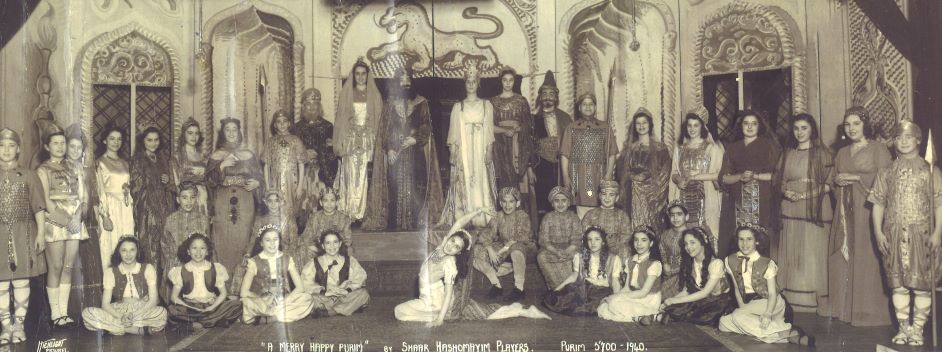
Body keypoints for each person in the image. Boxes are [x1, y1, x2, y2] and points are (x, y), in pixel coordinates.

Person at [395, 209, 549, 326]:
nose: (451, 246)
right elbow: (459, 224)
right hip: (426, 299)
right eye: (452, 241)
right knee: (400, 312)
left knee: (399, 312)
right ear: (448, 238)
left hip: (435, 302)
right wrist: (478, 211)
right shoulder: (442, 247)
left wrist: (440, 320)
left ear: (459, 252)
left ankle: (440, 315)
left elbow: (448, 292)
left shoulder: (449, 263)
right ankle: (436, 314)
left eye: (456, 247)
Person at [869, 119, 942, 346]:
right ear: (893, 142)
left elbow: (939, 204)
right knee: (898, 284)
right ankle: (903, 328)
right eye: (899, 137)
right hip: (893, 235)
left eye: (908, 137)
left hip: (922, 235)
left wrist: (938, 232)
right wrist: (879, 232)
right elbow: (878, 205)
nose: (903, 141)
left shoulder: (930, 170)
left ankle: (918, 329)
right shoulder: (886, 171)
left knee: (921, 285)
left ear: (918, 141)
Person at [824, 106, 892, 326]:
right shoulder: (842, 152)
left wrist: (855, 178)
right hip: (844, 210)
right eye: (848, 124)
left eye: (856, 123)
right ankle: (845, 310)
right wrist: (838, 182)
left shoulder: (878, 149)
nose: (851, 128)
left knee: (866, 257)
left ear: (865, 125)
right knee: (844, 254)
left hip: (868, 210)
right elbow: (834, 178)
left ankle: (867, 312)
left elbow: (887, 180)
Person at [367, 67, 443, 230]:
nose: (405, 82)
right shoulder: (389, 104)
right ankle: (394, 225)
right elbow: (384, 131)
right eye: (402, 79)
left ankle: (413, 224)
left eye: (408, 79)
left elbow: (426, 126)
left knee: (416, 188)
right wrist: (389, 149)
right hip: (396, 156)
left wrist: (415, 139)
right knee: (394, 188)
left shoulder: (422, 102)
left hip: (416, 154)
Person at [775, 113, 832, 313]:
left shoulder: (822, 153)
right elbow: (779, 180)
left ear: (812, 130)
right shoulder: (788, 153)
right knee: (793, 252)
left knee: (812, 252)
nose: (800, 132)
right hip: (790, 207)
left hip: (814, 207)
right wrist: (786, 191)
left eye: (804, 128)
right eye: (796, 128)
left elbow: (828, 184)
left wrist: (806, 196)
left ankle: (812, 301)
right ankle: (791, 298)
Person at [720, 225, 813, 346]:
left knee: (737, 316)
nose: (744, 243)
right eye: (741, 239)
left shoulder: (767, 263)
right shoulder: (729, 260)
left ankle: (779, 327)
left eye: (749, 239)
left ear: (757, 241)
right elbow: (737, 289)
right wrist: (743, 309)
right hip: (751, 305)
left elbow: (773, 293)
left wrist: (768, 314)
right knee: (723, 323)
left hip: (771, 303)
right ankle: (786, 335)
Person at [37, 122, 88, 328]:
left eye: (62, 143)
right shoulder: (43, 169)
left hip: (75, 222)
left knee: (68, 267)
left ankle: (64, 313)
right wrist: (66, 221)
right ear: (47, 147)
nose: (60, 147)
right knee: (56, 266)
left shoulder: (75, 167)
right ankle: (55, 313)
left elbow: (82, 198)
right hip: (55, 222)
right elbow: (45, 201)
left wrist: (77, 218)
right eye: (55, 143)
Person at [0, 128, 46, 344]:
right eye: (2, 145)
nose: (6, 150)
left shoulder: (29, 175)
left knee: (20, 280)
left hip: (24, 232)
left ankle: (19, 325)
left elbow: (38, 207)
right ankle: (5, 327)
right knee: (1, 283)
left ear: (18, 149)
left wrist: (41, 234)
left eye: (10, 145)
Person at [439, 66, 497, 228]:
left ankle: (482, 216)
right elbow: (454, 133)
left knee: (480, 178)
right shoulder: (459, 107)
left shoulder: (486, 105)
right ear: (465, 84)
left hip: (480, 147)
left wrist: (489, 150)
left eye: (474, 82)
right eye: (468, 82)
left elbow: (489, 130)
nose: (471, 85)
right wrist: (453, 152)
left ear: (478, 83)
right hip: (464, 148)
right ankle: (464, 215)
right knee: (465, 179)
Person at [719, 110, 780, 257]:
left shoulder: (769, 146)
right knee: (738, 237)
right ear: (741, 126)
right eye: (746, 123)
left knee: (761, 236)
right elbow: (723, 178)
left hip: (763, 198)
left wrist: (756, 176)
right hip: (737, 199)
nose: (750, 127)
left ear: (760, 126)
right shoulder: (732, 148)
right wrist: (739, 177)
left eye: (754, 124)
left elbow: (778, 176)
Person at [208, 118, 262, 277]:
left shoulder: (248, 155)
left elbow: (260, 176)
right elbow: (208, 181)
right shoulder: (217, 155)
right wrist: (221, 166)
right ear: (223, 133)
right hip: (222, 201)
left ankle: (242, 282)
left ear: (239, 132)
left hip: (245, 200)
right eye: (227, 130)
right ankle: (224, 281)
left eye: (234, 129)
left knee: (244, 236)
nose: (231, 133)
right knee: (223, 238)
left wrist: (257, 183)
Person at [82, 237, 167, 336]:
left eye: (132, 250)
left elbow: (153, 300)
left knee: (162, 313)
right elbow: (105, 304)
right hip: (118, 311)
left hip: (142, 309)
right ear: (119, 253)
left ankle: (113, 328)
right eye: (124, 250)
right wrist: (121, 316)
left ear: (137, 251)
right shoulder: (110, 272)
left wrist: (133, 315)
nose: (128, 254)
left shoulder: (148, 268)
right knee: (87, 313)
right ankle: (136, 330)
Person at [333, 58, 383, 220]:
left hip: (368, 139)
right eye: (357, 74)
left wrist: (376, 142)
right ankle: (348, 211)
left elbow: (379, 120)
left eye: (363, 74)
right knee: (349, 173)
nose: (360, 77)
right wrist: (341, 141)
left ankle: (363, 212)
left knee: (364, 175)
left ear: (368, 75)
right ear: (353, 76)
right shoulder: (347, 93)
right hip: (351, 139)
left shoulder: (374, 95)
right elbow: (340, 120)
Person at [130, 126, 177, 300]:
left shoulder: (164, 158)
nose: (153, 143)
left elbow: (172, 185)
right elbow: (136, 186)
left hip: (164, 209)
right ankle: (150, 295)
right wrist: (152, 180)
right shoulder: (138, 159)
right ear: (143, 141)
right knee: (150, 250)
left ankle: (164, 295)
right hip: (148, 211)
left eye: (156, 140)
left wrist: (167, 181)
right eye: (149, 140)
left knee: (165, 250)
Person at [669, 111, 724, 245]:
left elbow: (718, 174)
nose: (692, 129)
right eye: (689, 125)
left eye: (696, 125)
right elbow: (674, 172)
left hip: (704, 195)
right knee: (684, 230)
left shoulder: (711, 148)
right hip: (683, 194)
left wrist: (694, 177)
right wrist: (678, 180)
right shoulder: (679, 148)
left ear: (702, 127)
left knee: (705, 231)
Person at [167, 233, 242, 329]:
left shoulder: (216, 268)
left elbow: (223, 294)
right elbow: (174, 297)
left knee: (237, 304)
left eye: (202, 248)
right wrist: (189, 306)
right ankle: (212, 321)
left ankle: (202, 322)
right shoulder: (181, 271)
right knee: (171, 311)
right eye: (194, 248)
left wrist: (212, 307)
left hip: (211, 305)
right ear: (188, 251)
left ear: (207, 251)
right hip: (190, 307)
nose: (198, 252)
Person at [560, 94, 618, 218]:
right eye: (584, 104)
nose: (588, 107)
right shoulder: (571, 128)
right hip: (578, 175)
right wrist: (566, 177)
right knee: (581, 212)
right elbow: (565, 155)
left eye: (591, 104)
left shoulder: (605, 127)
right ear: (579, 107)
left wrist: (608, 175)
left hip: (599, 174)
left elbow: (612, 154)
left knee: (600, 209)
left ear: (595, 107)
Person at [473, 187, 534, 302]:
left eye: (511, 201)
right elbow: (486, 233)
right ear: (501, 203)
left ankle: (519, 289)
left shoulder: (522, 215)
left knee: (516, 248)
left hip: (522, 246)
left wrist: (503, 250)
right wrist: (490, 249)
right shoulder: (498, 216)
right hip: (504, 247)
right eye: (504, 202)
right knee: (477, 250)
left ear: (518, 203)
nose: (507, 205)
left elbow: (522, 237)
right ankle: (496, 286)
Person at [661, 227, 733, 326]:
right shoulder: (690, 263)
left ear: (703, 242)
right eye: (686, 244)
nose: (688, 247)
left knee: (696, 315)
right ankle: (657, 316)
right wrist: (669, 301)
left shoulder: (716, 263)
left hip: (718, 302)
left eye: (692, 242)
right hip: (701, 300)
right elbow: (687, 290)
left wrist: (674, 301)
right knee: (671, 308)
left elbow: (705, 293)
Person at [240, 225, 308, 324]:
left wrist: (284, 301)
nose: (272, 243)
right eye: (267, 240)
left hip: (283, 300)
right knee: (246, 302)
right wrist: (262, 300)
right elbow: (243, 292)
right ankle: (280, 316)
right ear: (261, 243)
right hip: (262, 301)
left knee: (306, 298)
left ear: (279, 241)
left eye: (275, 239)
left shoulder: (287, 259)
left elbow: (300, 288)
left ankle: (268, 318)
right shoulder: (254, 262)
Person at [616, 108, 671, 229]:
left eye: (644, 122)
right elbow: (621, 173)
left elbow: (665, 175)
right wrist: (630, 178)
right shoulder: (629, 150)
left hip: (651, 196)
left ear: (650, 125)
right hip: (631, 195)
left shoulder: (660, 149)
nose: (641, 126)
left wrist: (654, 194)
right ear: (634, 126)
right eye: (638, 123)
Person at [543, 226, 615, 316]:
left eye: (597, 239)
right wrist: (558, 289)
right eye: (590, 239)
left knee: (588, 307)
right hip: (585, 289)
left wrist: (617, 297)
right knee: (559, 299)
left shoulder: (612, 259)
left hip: (601, 291)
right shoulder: (580, 257)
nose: (593, 243)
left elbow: (615, 280)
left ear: (603, 242)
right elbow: (574, 275)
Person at [295, 230, 369, 317]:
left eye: (335, 242)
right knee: (305, 298)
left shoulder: (350, 260)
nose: (332, 246)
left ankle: (331, 311)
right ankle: (343, 309)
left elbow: (360, 277)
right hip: (323, 298)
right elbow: (305, 282)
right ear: (323, 246)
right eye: (328, 243)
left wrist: (347, 289)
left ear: (340, 244)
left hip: (343, 297)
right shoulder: (314, 263)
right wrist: (324, 291)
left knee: (363, 294)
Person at [598, 226, 663, 324]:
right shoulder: (630, 261)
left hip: (648, 299)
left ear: (651, 243)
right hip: (634, 295)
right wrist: (614, 296)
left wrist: (618, 298)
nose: (639, 244)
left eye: (644, 240)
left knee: (614, 305)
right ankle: (641, 318)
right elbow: (627, 288)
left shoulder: (654, 264)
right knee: (602, 307)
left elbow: (643, 293)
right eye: (636, 240)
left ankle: (652, 312)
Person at [293, 88, 337, 231]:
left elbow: (333, 153)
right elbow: (290, 152)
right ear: (303, 106)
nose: (312, 107)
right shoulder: (296, 128)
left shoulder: (328, 126)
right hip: (301, 173)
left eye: (315, 104)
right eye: (308, 104)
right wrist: (304, 153)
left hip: (321, 172)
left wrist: (319, 152)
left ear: (319, 106)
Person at [532, 71, 572, 213]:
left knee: (563, 201)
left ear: (555, 97)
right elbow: (529, 147)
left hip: (562, 167)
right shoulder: (533, 120)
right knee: (543, 204)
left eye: (551, 94)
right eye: (545, 94)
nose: (548, 97)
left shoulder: (565, 118)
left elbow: (571, 145)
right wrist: (531, 169)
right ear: (540, 97)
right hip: (541, 167)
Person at [95, 125, 134, 271]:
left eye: (119, 139)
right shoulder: (100, 163)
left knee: (126, 242)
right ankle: (109, 284)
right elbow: (100, 190)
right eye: (112, 139)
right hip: (110, 208)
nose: (115, 142)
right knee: (109, 243)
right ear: (105, 141)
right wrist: (104, 215)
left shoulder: (125, 163)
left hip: (125, 207)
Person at [490, 67, 535, 192]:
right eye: (505, 80)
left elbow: (529, 124)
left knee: (518, 178)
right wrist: (504, 131)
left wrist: (519, 128)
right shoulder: (493, 102)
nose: (508, 83)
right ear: (501, 81)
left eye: (511, 80)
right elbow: (488, 126)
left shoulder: (521, 100)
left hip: (518, 143)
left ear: (514, 81)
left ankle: (519, 209)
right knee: (502, 176)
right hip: (499, 144)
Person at [263, 110, 306, 224]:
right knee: (276, 210)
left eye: (284, 121)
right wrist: (268, 187)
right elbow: (266, 166)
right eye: (278, 122)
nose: (282, 124)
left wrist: (300, 186)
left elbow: (301, 163)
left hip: (292, 181)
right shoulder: (270, 142)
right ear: (275, 125)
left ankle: (292, 235)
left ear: (289, 123)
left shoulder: (295, 140)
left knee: (291, 209)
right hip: (275, 181)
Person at [536, 186, 582, 290]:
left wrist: (567, 251)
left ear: (569, 203)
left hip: (570, 248)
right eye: (556, 201)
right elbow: (544, 240)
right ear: (552, 203)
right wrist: (556, 252)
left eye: (563, 201)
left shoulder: (574, 217)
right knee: (541, 256)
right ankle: (556, 288)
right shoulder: (547, 218)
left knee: (578, 256)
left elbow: (577, 238)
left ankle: (573, 286)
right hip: (551, 249)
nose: (560, 204)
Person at [162, 182, 211, 269]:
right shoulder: (170, 220)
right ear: (178, 199)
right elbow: (165, 245)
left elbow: (208, 245)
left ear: (196, 199)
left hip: (198, 266)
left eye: (192, 197)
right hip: (176, 267)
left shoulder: (203, 220)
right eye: (184, 197)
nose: (189, 201)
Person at [300, 188, 353, 266]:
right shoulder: (315, 217)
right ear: (321, 203)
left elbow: (348, 240)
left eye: (332, 200)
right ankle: (310, 276)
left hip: (336, 250)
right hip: (318, 250)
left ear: (337, 202)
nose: (329, 204)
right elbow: (306, 238)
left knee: (349, 250)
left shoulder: (343, 218)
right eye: (325, 200)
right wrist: (319, 249)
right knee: (303, 250)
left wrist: (333, 249)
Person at [581, 180, 631, 256]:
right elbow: (584, 233)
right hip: (595, 248)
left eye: (611, 195)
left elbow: (627, 235)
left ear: (617, 198)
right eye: (604, 194)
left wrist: (613, 245)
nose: (607, 198)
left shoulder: (622, 215)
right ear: (599, 196)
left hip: (616, 251)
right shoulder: (590, 214)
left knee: (625, 250)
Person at [176, 117, 209, 215]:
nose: (194, 137)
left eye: (196, 133)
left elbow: (208, 180)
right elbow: (177, 184)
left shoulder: (204, 157)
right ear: (184, 135)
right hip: (187, 200)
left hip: (203, 199)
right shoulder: (177, 157)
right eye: (190, 133)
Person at [658, 201, 688, 300]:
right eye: (672, 215)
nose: (675, 218)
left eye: (679, 214)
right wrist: (665, 264)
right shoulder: (665, 234)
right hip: (667, 272)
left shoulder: (691, 235)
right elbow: (662, 250)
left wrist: (675, 270)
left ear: (686, 217)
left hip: (685, 274)